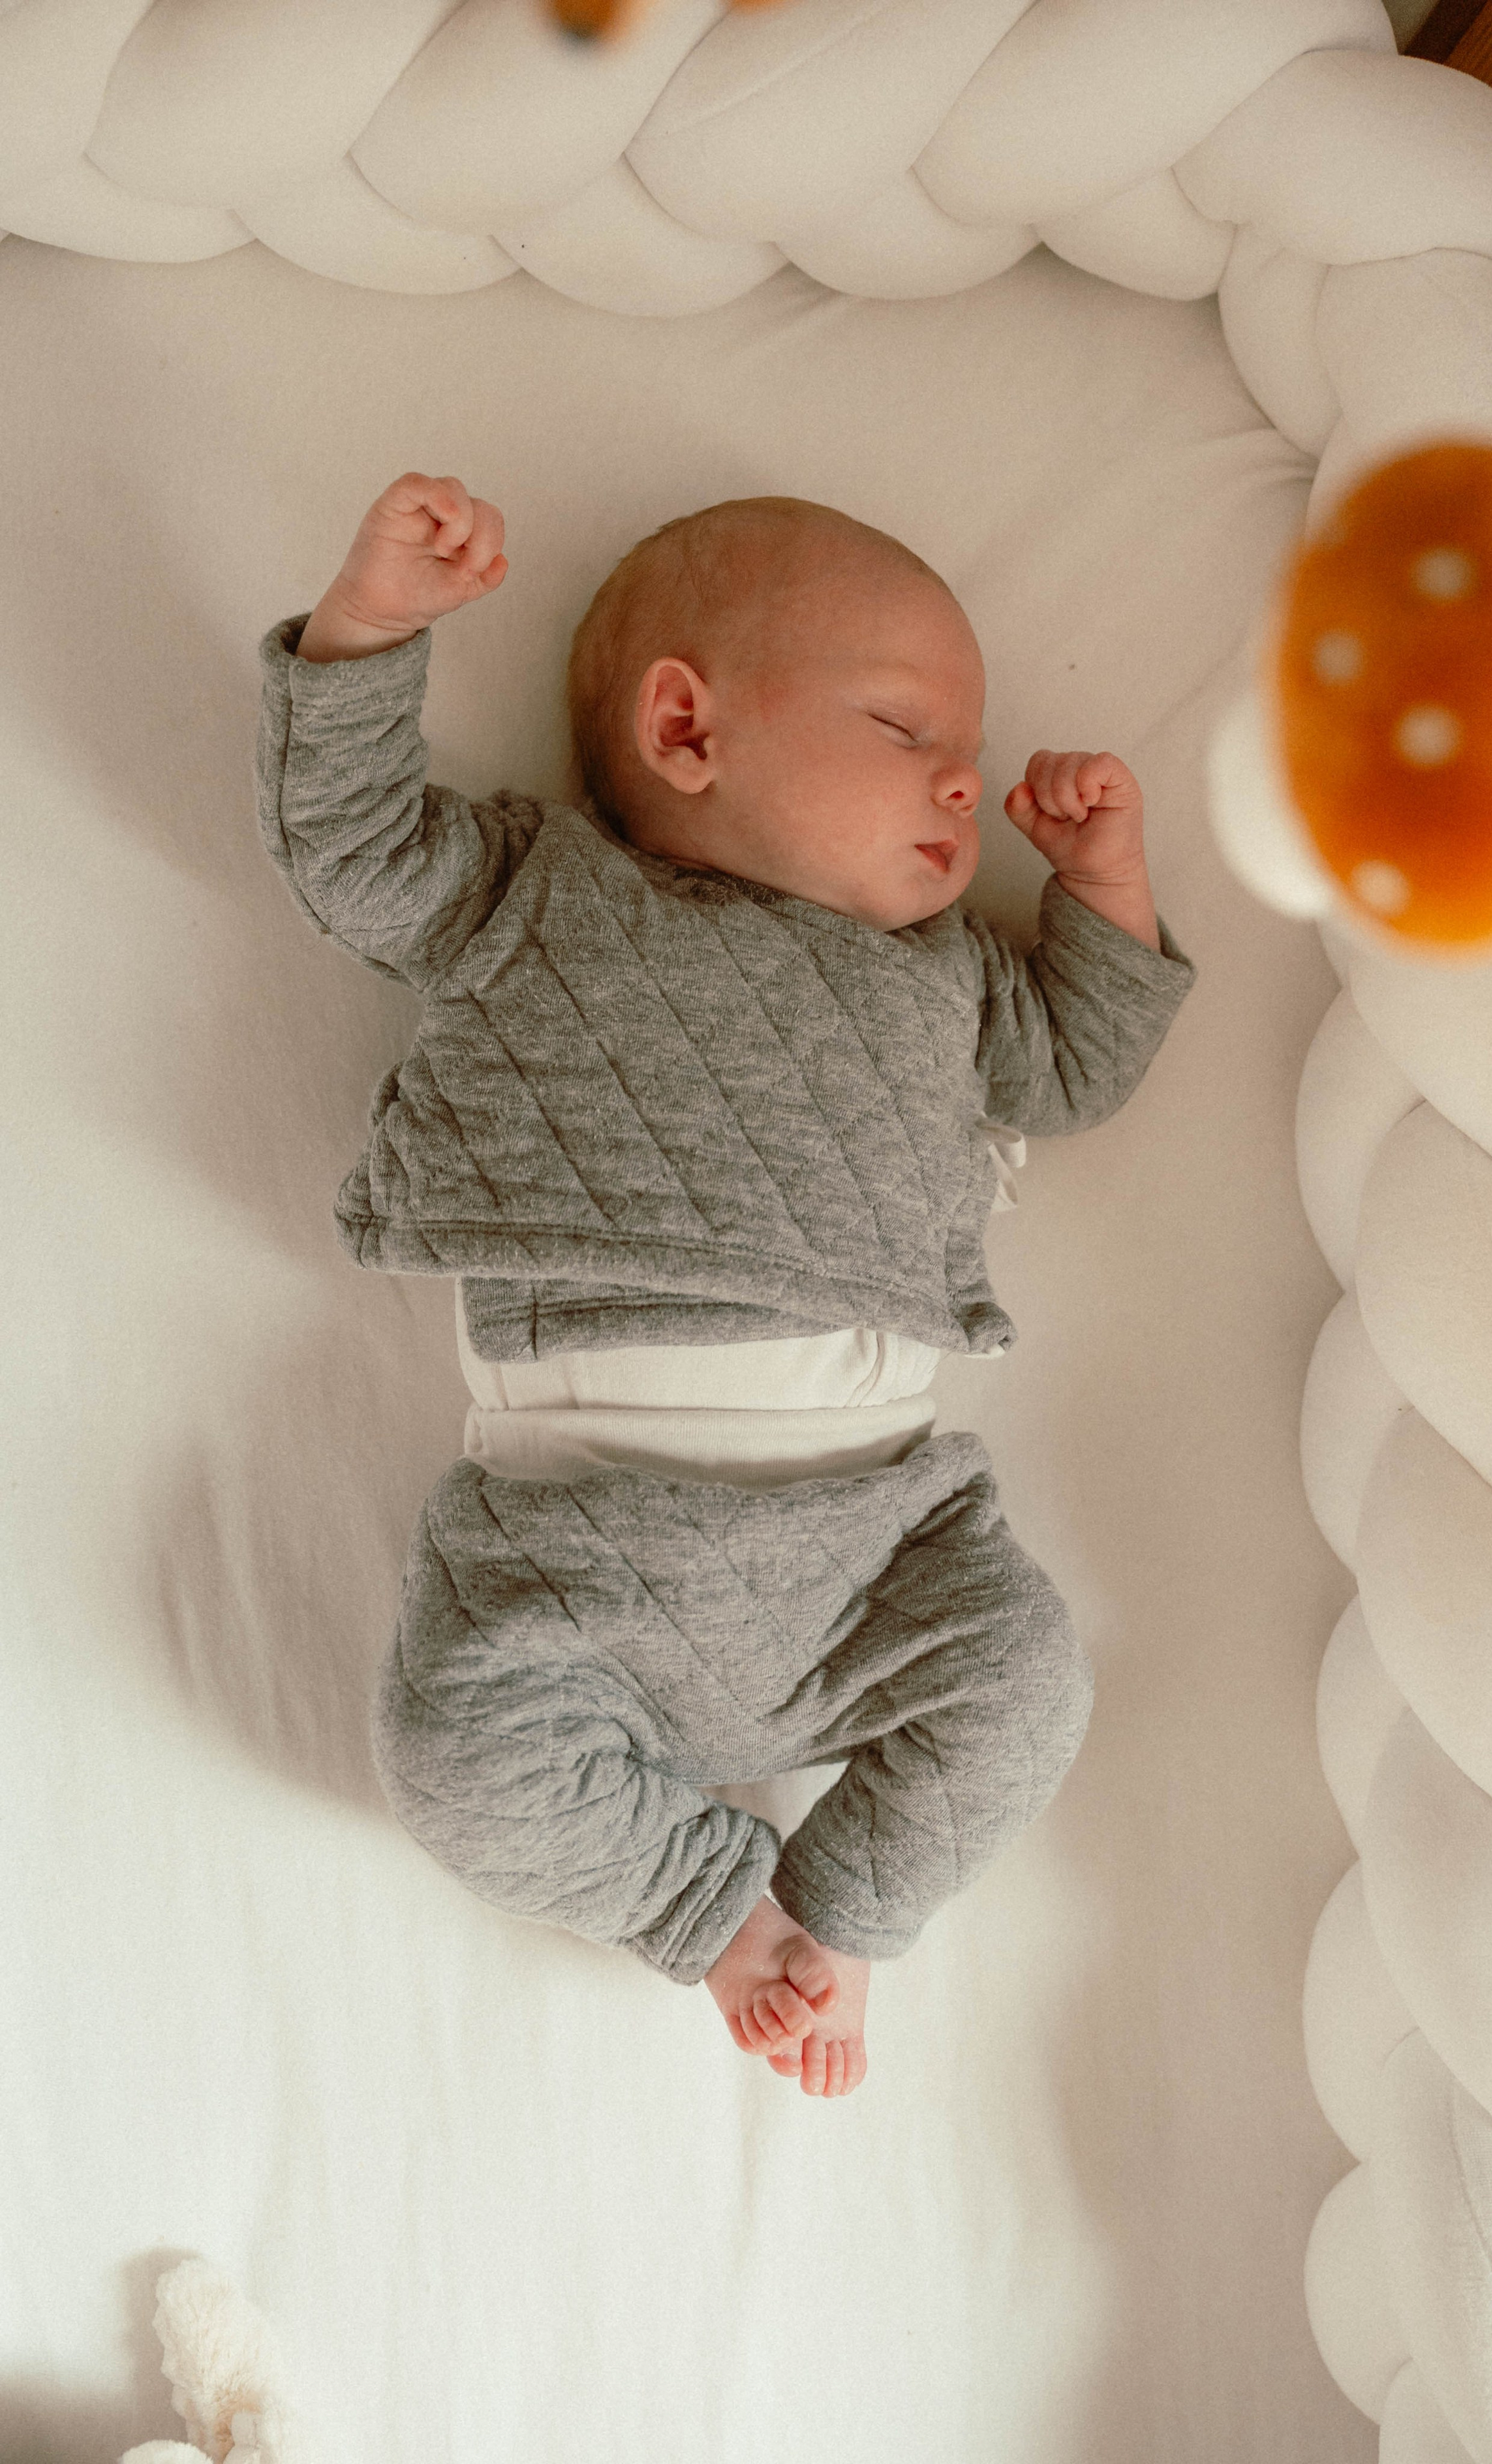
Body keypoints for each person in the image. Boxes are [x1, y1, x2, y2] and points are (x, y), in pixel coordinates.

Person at [255, 472, 1197, 2097]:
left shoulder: (943, 974)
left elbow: (1074, 1065)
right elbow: (351, 847)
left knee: (1027, 1680)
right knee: (450, 1756)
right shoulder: (533, 896)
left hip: (879, 1548)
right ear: (686, 729)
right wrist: (368, 630)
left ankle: (844, 1910)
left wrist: (1102, 885)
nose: (961, 779)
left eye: (963, 749)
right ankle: (711, 1912)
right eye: (901, 725)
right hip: (573, 1552)